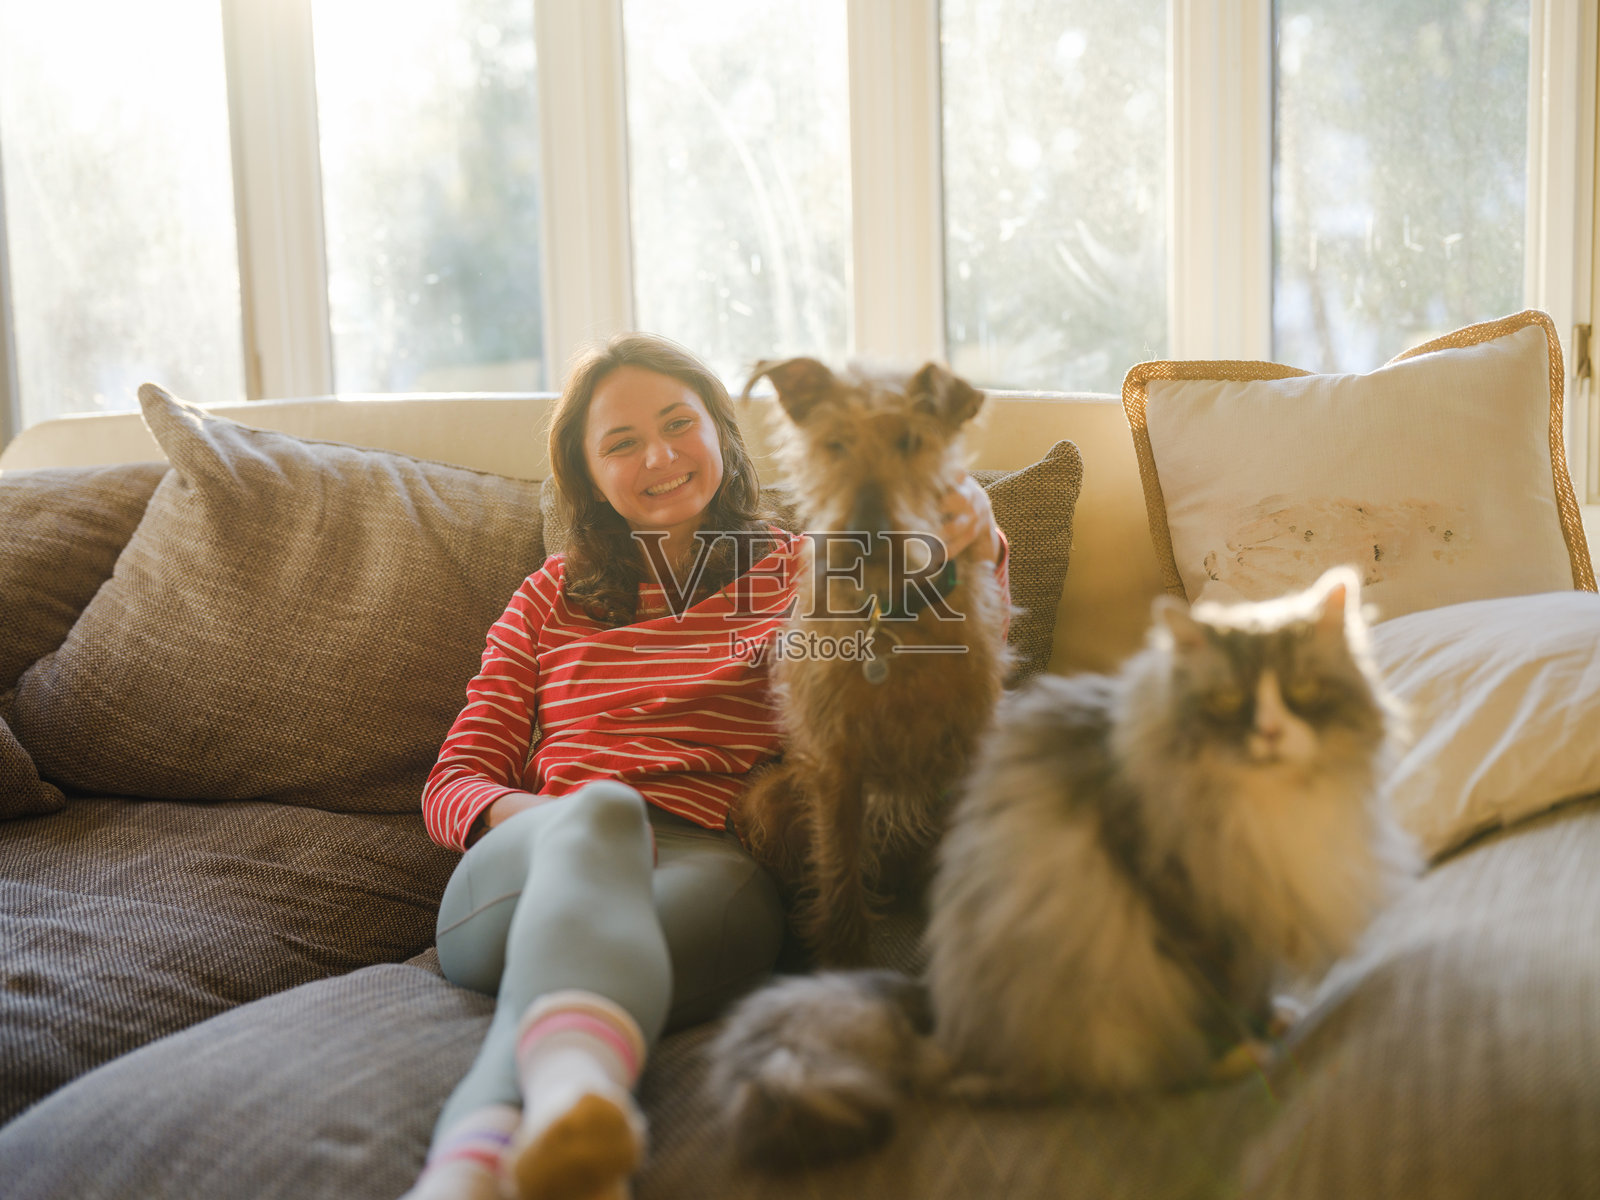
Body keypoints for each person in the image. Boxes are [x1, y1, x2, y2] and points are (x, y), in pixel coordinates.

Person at [402, 332, 1006, 1200]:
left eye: (679, 424)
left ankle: (493, 1154)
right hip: (529, 862)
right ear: (586, 474)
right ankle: (573, 1099)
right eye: (620, 442)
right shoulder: (547, 596)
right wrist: (560, 822)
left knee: (612, 930)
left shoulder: (806, 565)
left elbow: (950, 657)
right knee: (602, 815)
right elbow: (454, 780)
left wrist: (974, 535)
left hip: (705, 871)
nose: (659, 455)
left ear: (722, 434)